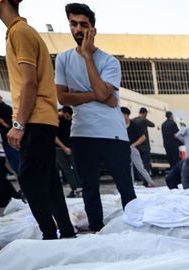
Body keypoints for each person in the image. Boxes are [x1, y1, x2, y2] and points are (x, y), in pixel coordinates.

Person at [0, 0, 75, 239]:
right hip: (42, 118)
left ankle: (49, 235)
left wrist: (18, 124)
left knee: (30, 180)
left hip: (34, 118)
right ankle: (65, 231)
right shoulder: (20, 31)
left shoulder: (19, 32)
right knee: (49, 179)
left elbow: (29, 82)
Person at [55, 2, 136, 232]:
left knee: (125, 186)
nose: (78, 29)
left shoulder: (109, 61)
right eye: (74, 24)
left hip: (113, 133)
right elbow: (62, 98)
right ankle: (97, 230)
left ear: (93, 29)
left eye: (84, 25)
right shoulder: (63, 59)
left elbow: (102, 94)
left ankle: (134, 227)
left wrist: (88, 58)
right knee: (89, 187)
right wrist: (98, 96)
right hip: (82, 132)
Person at [122, 106, 154, 187]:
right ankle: (131, 184)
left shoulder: (133, 124)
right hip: (124, 149)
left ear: (126, 115)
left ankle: (150, 182)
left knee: (140, 166)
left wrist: (133, 145)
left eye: (122, 114)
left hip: (133, 148)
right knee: (128, 167)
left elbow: (143, 137)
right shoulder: (120, 125)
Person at [54, 106, 81, 197]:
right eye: (68, 116)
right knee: (67, 170)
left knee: (76, 167)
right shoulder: (56, 120)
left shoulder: (71, 119)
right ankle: (74, 189)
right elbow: (54, 136)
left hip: (72, 147)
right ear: (64, 113)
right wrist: (64, 147)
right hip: (59, 148)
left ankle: (81, 187)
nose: (69, 118)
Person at [132, 107, 155, 174]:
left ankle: (137, 177)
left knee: (137, 162)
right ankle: (145, 179)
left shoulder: (133, 120)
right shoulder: (144, 120)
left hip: (136, 145)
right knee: (145, 163)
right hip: (145, 145)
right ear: (145, 113)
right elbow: (153, 125)